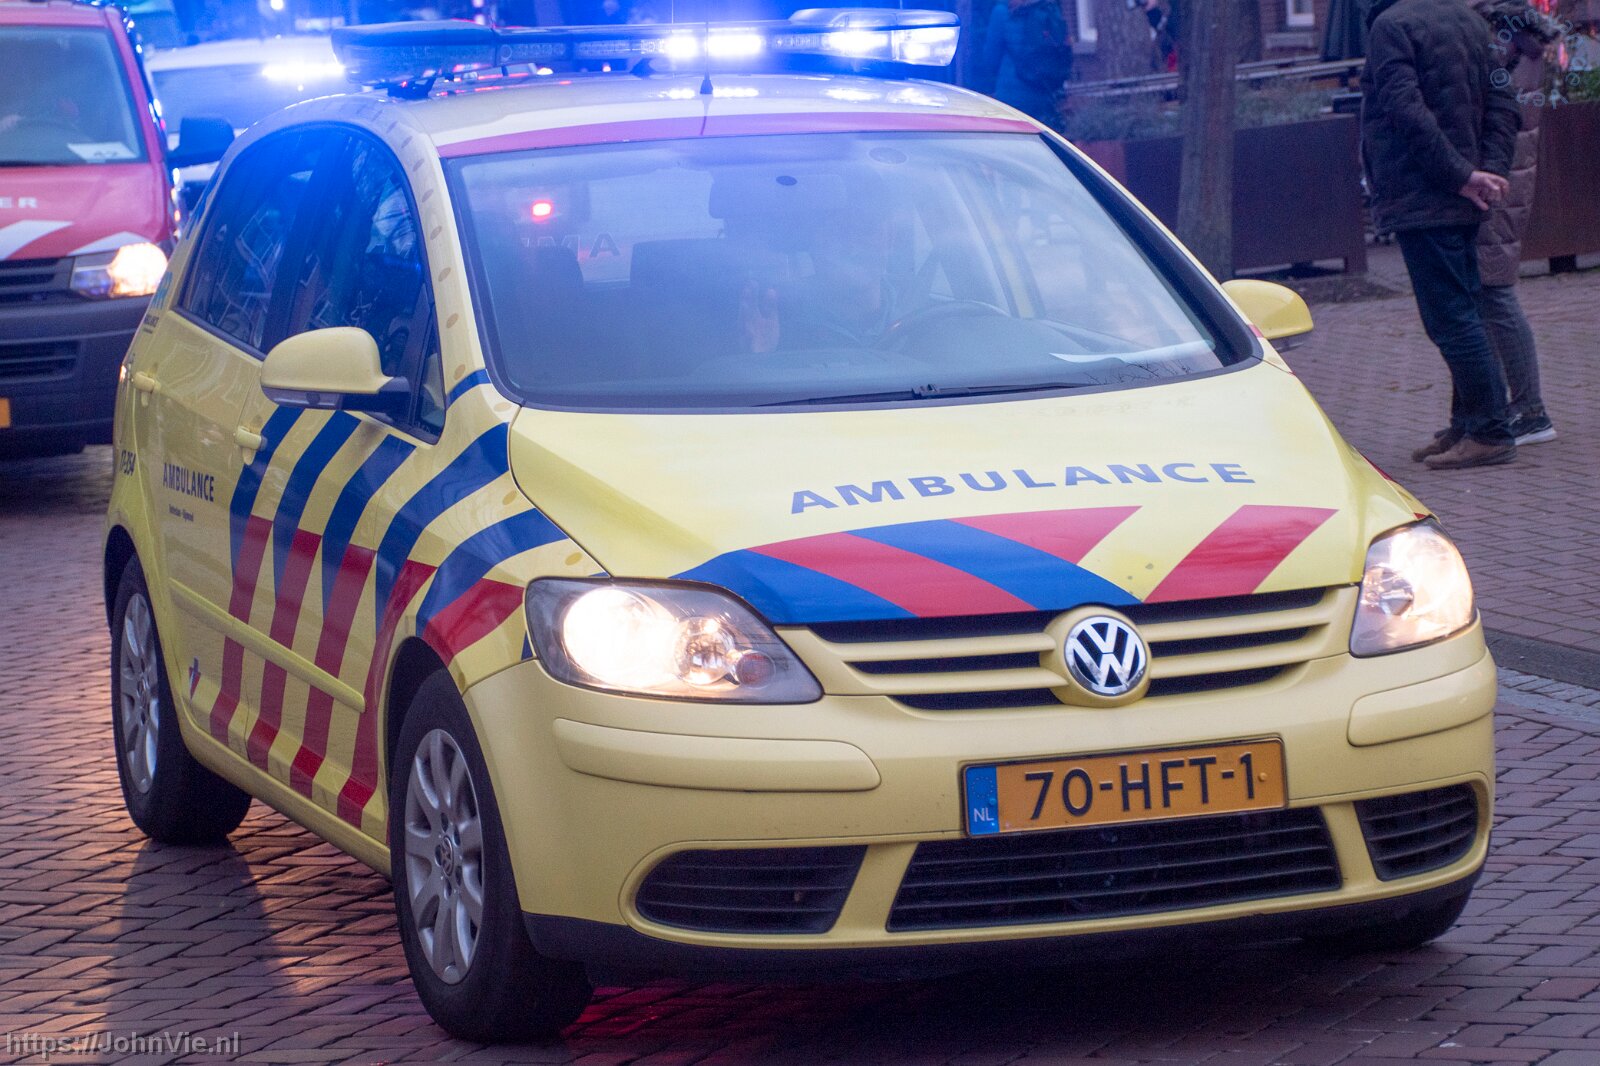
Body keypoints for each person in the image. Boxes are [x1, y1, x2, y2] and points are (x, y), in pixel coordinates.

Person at [1361, 0, 1522, 470]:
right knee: (1465, 309)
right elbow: (1503, 101)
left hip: (1424, 195)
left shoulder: (1391, 26)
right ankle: (1468, 423)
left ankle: (1489, 431)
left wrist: (1461, 176)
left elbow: (1404, 111)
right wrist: (1486, 173)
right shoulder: (1470, 21)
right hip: (1460, 192)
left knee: (1450, 319)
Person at [1474, 0, 1561, 446]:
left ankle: (1531, 410)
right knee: (1491, 292)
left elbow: (1495, 113)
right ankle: (1512, 407)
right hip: (1507, 176)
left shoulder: (1504, 42)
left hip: (1499, 179)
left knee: (1496, 293)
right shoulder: (1521, 41)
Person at [977, 0, 1074, 129]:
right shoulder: (1049, 8)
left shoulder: (1002, 12)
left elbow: (990, 59)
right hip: (1046, 94)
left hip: (1011, 97)